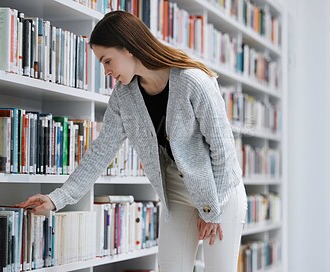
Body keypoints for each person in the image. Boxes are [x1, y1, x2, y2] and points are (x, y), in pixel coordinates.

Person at [17, 10, 247, 272]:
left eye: (107, 61)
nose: (106, 71)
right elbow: (100, 152)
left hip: (220, 192)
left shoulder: (193, 81)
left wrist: (212, 211)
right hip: (176, 194)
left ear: (128, 49)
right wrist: (57, 198)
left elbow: (223, 150)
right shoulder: (124, 97)